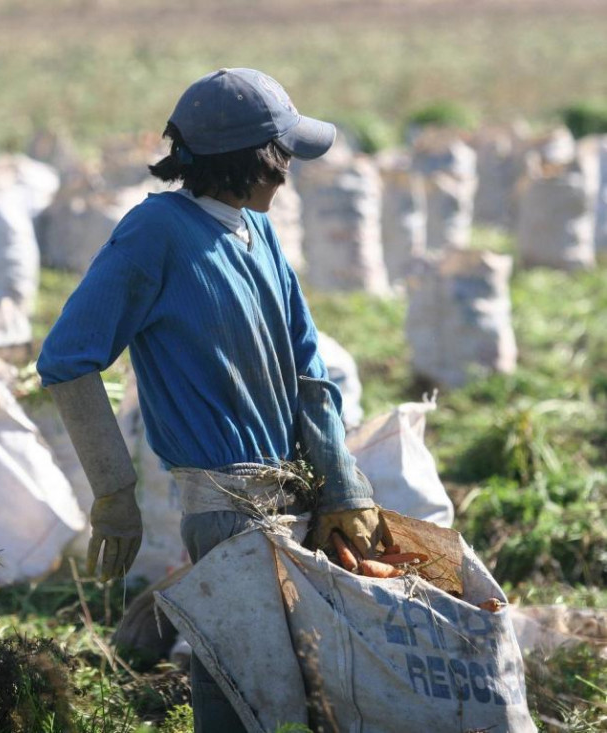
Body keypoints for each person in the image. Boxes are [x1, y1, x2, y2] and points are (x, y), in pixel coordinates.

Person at [36, 68, 387, 732]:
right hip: (224, 509)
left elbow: (309, 367)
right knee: (239, 679)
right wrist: (114, 490)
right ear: (262, 163)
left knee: (288, 678)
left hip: (294, 493)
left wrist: (344, 486)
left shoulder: (260, 233)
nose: (289, 171)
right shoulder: (156, 233)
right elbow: (66, 358)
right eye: (283, 155)